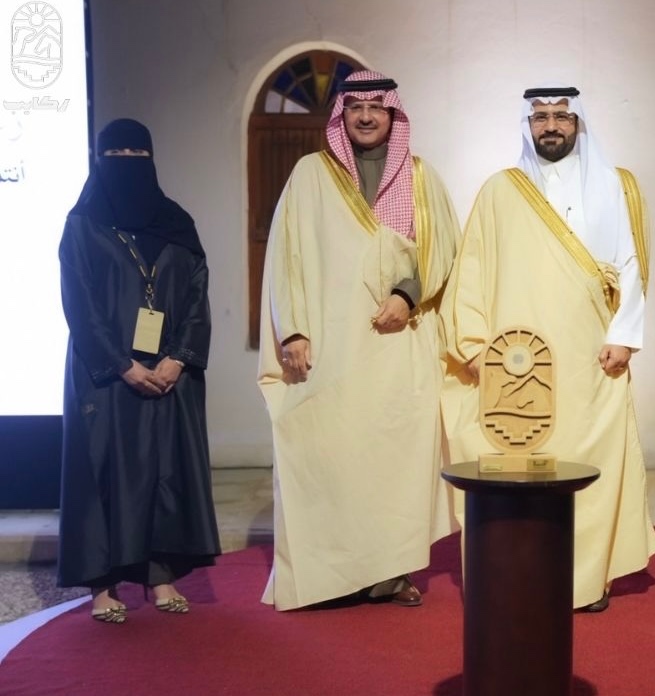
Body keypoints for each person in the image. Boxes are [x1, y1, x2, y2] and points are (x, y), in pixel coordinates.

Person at [441, 84, 655, 612]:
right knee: (519, 464)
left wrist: (624, 336)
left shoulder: (617, 184)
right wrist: (474, 347)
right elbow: (471, 270)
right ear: (528, 125)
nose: (552, 126)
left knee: (587, 463)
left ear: (578, 122)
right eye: (540, 117)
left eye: (562, 116)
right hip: (516, 363)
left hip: (592, 356)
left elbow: (632, 264)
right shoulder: (500, 190)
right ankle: (517, 577)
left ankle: (585, 582)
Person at [257, 71, 459, 611]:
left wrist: (408, 296)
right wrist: (293, 329)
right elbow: (286, 256)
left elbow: (444, 250)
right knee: (331, 456)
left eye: (376, 106)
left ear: (393, 114)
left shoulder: (420, 177)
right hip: (330, 347)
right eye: (355, 107)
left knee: (395, 462)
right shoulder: (310, 175)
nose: (366, 116)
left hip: (398, 345)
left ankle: (390, 573)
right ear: (341, 115)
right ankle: (332, 576)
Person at [58, 118, 220, 623]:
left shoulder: (177, 222)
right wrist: (122, 364)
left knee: (165, 470)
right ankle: (102, 585)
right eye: (117, 154)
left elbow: (197, 295)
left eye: (137, 153)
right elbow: (79, 303)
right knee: (105, 470)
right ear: (99, 159)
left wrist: (178, 358)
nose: (127, 163)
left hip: (170, 371)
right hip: (106, 374)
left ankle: (160, 575)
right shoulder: (83, 224)